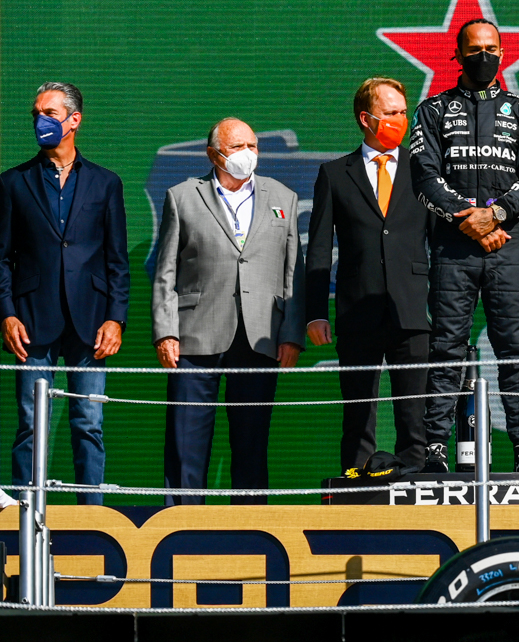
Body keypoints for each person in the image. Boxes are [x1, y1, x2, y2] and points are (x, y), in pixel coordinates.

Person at [411, 18, 519, 473]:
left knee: (513, 348)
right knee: (446, 347)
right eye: (474, 49)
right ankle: (436, 448)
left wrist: (497, 213)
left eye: (491, 48)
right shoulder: (433, 111)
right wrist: (469, 218)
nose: (484, 56)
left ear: (503, 53)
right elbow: (424, 176)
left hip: (508, 244)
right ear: (457, 54)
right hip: (453, 247)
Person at [152, 118, 304, 503]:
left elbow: (293, 273)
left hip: (260, 336)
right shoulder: (183, 196)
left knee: (251, 445)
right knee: (186, 445)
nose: (247, 154)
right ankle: (181, 528)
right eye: (237, 147)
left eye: (252, 146)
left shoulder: (283, 197)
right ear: (213, 154)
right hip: (194, 337)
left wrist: (291, 334)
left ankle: (249, 529)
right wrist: (166, 331)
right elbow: (165, 271)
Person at [1, 82, 128, 504]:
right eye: (36, 113)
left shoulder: (105, 183)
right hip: (31, 320)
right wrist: (6, 313)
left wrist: (115, 318)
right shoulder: (13, 182)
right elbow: (1, 257)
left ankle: (91, 518)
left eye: (50, 113)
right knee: (30, 423)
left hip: (91, 322)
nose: (41, 121)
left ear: (74, 120)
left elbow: (116, 260)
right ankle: (26, 514)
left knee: (89, 421)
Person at [305, 77, 432, 473]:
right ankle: (356, 486)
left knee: (415, 414)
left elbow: (440, 242)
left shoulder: (424, 170)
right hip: (357, 310)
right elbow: (319, 248)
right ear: (366, 118)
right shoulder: (334, 173)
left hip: (412, 309)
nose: (400, 120)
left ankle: (414, 482)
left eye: (403, 112)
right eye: (391, 112)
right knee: (358, 413)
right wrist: (316, 312)